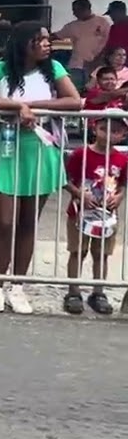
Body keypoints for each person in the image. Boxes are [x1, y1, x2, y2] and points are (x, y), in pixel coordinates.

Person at [0, 22, 81, 314]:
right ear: (24, 42)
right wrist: (15, 106)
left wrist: (32, 104)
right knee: (5, 221)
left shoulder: (54, 68)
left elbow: (75, 101)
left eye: (48, 40)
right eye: (40, 39)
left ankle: (17, 286)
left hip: (41, 149)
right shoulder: (1, 67)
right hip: (8, 148)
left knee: (29, 222)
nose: (47, 44)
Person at [61, 116, 128, 315]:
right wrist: (78, 193)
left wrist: (119, 197)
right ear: (94, 129)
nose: (109, 134)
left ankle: (98, 292)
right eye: (104, 129)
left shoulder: (122, 159)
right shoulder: (80, 154)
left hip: (107, 216)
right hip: (79, 212)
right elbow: (65, 179)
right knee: (77, 251)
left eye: (116, 131)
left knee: (101, 255)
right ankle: (73, 291)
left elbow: (122, 184)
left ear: (123, 134)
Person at [55, 0, 108, 91]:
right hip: (76, 65)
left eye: (76, 10)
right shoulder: (72, 26)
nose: (74, 13)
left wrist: (98, 59)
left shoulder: (102, 22)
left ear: (86, 9)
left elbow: (108, 41)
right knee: (75, 91)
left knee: (93, 91)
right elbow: (56, 36)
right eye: (73, 10)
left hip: (97, 65)